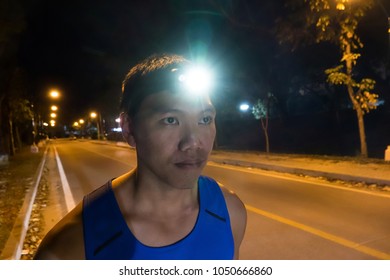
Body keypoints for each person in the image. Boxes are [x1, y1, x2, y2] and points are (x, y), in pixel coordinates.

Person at [34, 54, 247, 260]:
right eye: (170, 120)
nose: (193, 142)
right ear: (128, 127)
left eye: (205, 119)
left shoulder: (230, 211)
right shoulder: (69, 248)